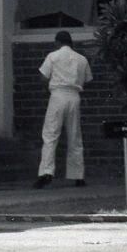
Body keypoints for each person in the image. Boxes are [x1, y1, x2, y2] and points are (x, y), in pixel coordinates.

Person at [36, 30, 92, 188]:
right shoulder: (82, 59)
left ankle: (46, 172)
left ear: (58, 42)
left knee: (50, 134)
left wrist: (49, 88)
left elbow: (43, 77)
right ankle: (78, 175)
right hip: (74, 96)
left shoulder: (53, 56)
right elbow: (87, 79)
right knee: (75, 136)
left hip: (58, 95)